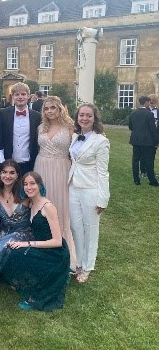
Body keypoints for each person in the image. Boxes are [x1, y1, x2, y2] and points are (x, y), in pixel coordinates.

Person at [0, 172, 70, 311]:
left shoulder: (48, 207)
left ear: (40, 185)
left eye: (32, 183)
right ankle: (30, 282)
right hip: (41, 247)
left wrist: (27, 244)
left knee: (18, 255)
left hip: (55, 253)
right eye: (25, 184)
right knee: (11, 250)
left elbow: (57, 241)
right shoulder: (31, 203)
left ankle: (38, 293)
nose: (28, 187)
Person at [69, 103, 110, 284]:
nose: (84, 118)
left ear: (94, 119)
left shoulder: (101, 141)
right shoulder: (75, 136)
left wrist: (103, 198)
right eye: (81, 115)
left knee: (90, 229)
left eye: (88, 116)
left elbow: (103, 172)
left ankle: (88, 266)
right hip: (72, 187)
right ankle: (78, 262)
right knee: (76, 227)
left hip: (91, 189)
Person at [34, 96, 76, 270]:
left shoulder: (70, 128)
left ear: (60, 109)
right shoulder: (40, 128)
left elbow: (77, 151)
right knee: (42, 205)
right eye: (46, 108)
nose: (49, 111)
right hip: (42, 167)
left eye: (53, 108)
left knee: (60, 207)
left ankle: (64, 250)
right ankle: (43, 247)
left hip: (61, 169)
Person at [0, 159, 33, 273]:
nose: (7, 176)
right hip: (4, 232)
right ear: (0, 174)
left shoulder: (25, 192)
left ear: (17, 175)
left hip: (24, 233)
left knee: (7, 248)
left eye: (12, 172)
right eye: (4, 172)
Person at [0, 82, 41, 176]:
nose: (20, 97)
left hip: (29, 164)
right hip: (8, 164)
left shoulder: (37, 116)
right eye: (17, 94)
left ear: (28, 96)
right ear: (12, 97)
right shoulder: (3, 114)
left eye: (23, 94)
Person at [129, 96, 159, 186]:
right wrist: (156, 141)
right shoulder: (149, 114)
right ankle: (152, 181)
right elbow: (153, 129)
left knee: (135, 160)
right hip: (147, 141)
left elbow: (130, 127)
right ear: (146, 103)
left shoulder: (133, 113)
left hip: (136, 140)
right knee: (149, 161)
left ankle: (136, 180)